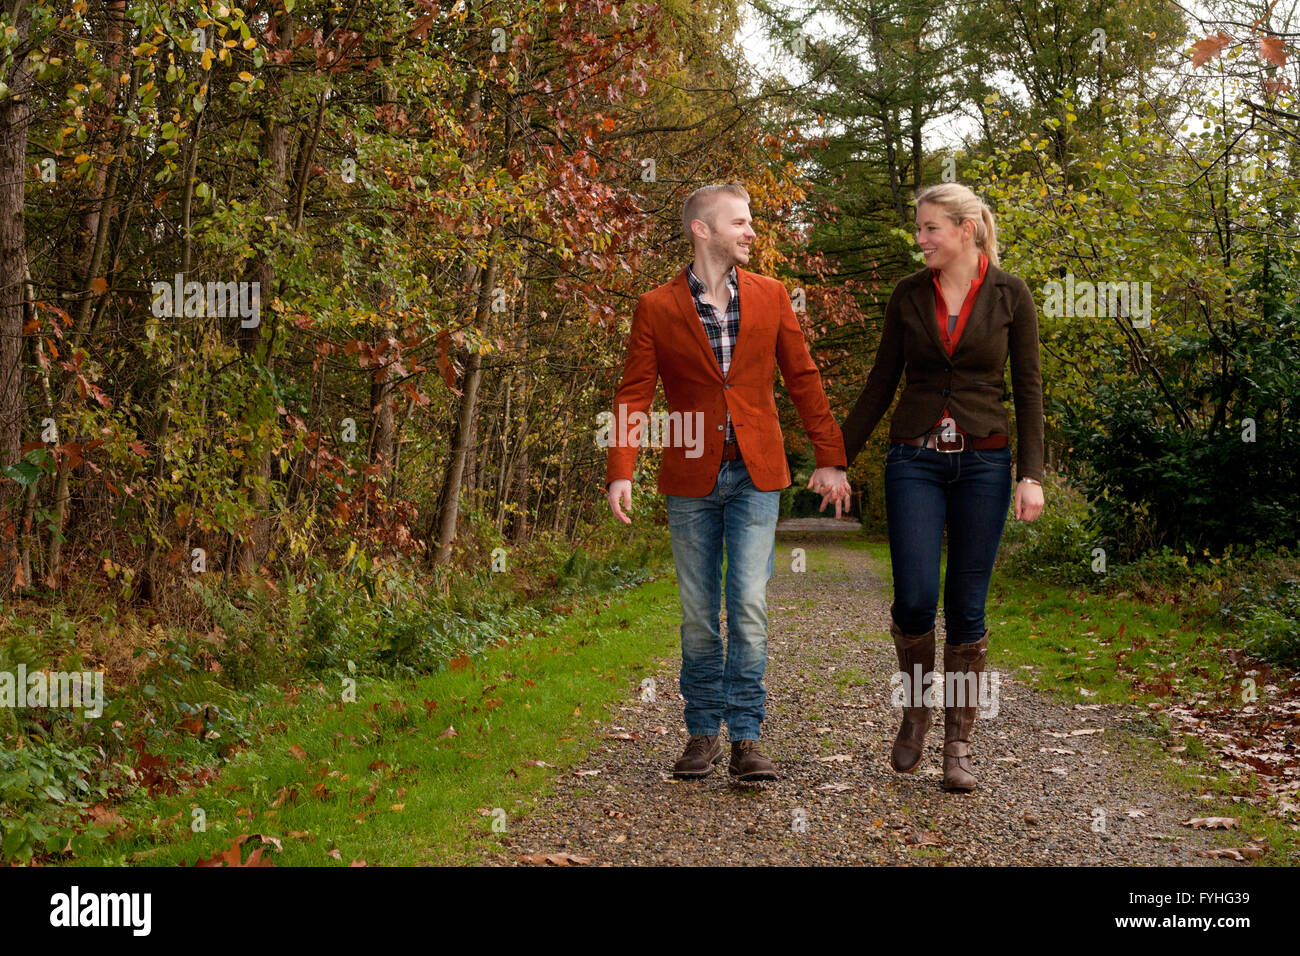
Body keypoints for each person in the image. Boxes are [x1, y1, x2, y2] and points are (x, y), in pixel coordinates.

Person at [604, 183, 852, 781]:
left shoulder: (769, 296)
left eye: (751, 223)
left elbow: (803, 377)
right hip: (689, 476)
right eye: (739, 222)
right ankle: (700, 734)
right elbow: (634, 392)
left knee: (745, 603)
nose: (751, 232)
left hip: (757, 474)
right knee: (697, 613)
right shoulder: (657, 307)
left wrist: (831, 456)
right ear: (702, 229)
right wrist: (621, 469)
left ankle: (745, 737)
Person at [840, 182, 1045, 792]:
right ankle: (915, 709)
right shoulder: (908, 295)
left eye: (931, 228)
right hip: (915, 460)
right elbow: (881, 380)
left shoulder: (1012, 295)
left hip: (985, 462)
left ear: (966, 230)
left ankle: (958, 740)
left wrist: (1030, 475)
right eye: (919, 228)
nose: (920, 239)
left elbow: (1030, 389)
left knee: (968, 607)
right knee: (914, 596)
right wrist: (837, 458)